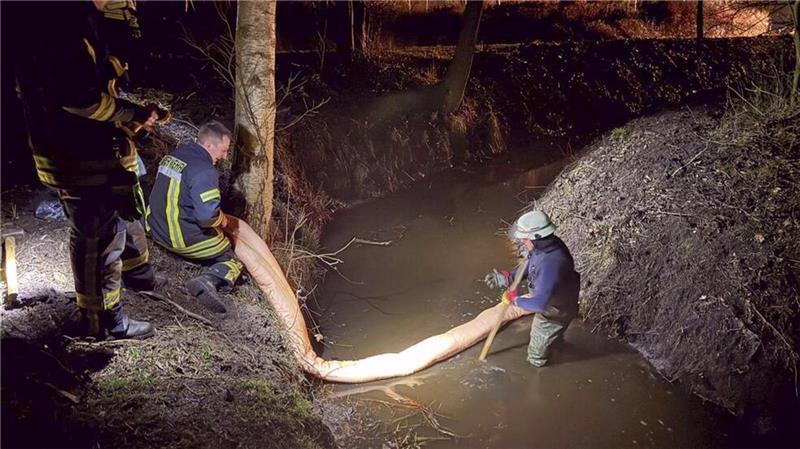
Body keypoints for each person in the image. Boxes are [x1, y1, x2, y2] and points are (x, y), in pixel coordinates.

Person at [14, 1, 169, 339]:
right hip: (75, 155)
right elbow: (80, 98)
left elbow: (95, 82)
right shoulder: (63, 27)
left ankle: (118, 297)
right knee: (97, 238)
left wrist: (133, 112)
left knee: (106, 229)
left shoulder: (72, 20)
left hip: (81, 151)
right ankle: (102, 323)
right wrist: (130, 115)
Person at [147, 121, 243, 314]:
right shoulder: (205, 171)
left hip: (154, 227)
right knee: (231, 259)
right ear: (209, 145)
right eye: (223, 151)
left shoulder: (173, 156)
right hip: (178, 238)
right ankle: (208, 281)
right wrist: (222, 221)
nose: (224, 157)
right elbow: (206, 218)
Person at [484, 210, 580, 367]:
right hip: (559, 299)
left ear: (537, 238)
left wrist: (514, 299)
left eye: (525, 239)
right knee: (554, 336)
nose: (522, 241)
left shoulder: (551, 265)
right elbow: (529, 265)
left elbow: (538, 305)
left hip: (554, 311)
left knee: (536, 351)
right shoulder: (546, 245)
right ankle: (555, 343)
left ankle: (540, 369)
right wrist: (509, 276)